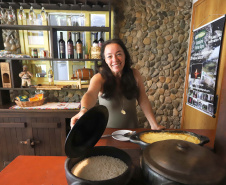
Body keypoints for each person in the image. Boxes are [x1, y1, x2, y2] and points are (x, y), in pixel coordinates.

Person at [71, 39, 165, 130]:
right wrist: (84, 109)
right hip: (108, 134)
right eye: (109, 56)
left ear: (125, 55)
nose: (115, 59)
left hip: (132, 133)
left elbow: (143, 99)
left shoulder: (135, 74)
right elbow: (90, 94)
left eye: (119, 54)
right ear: (105, 60)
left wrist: (154, 125)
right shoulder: (99, 78)